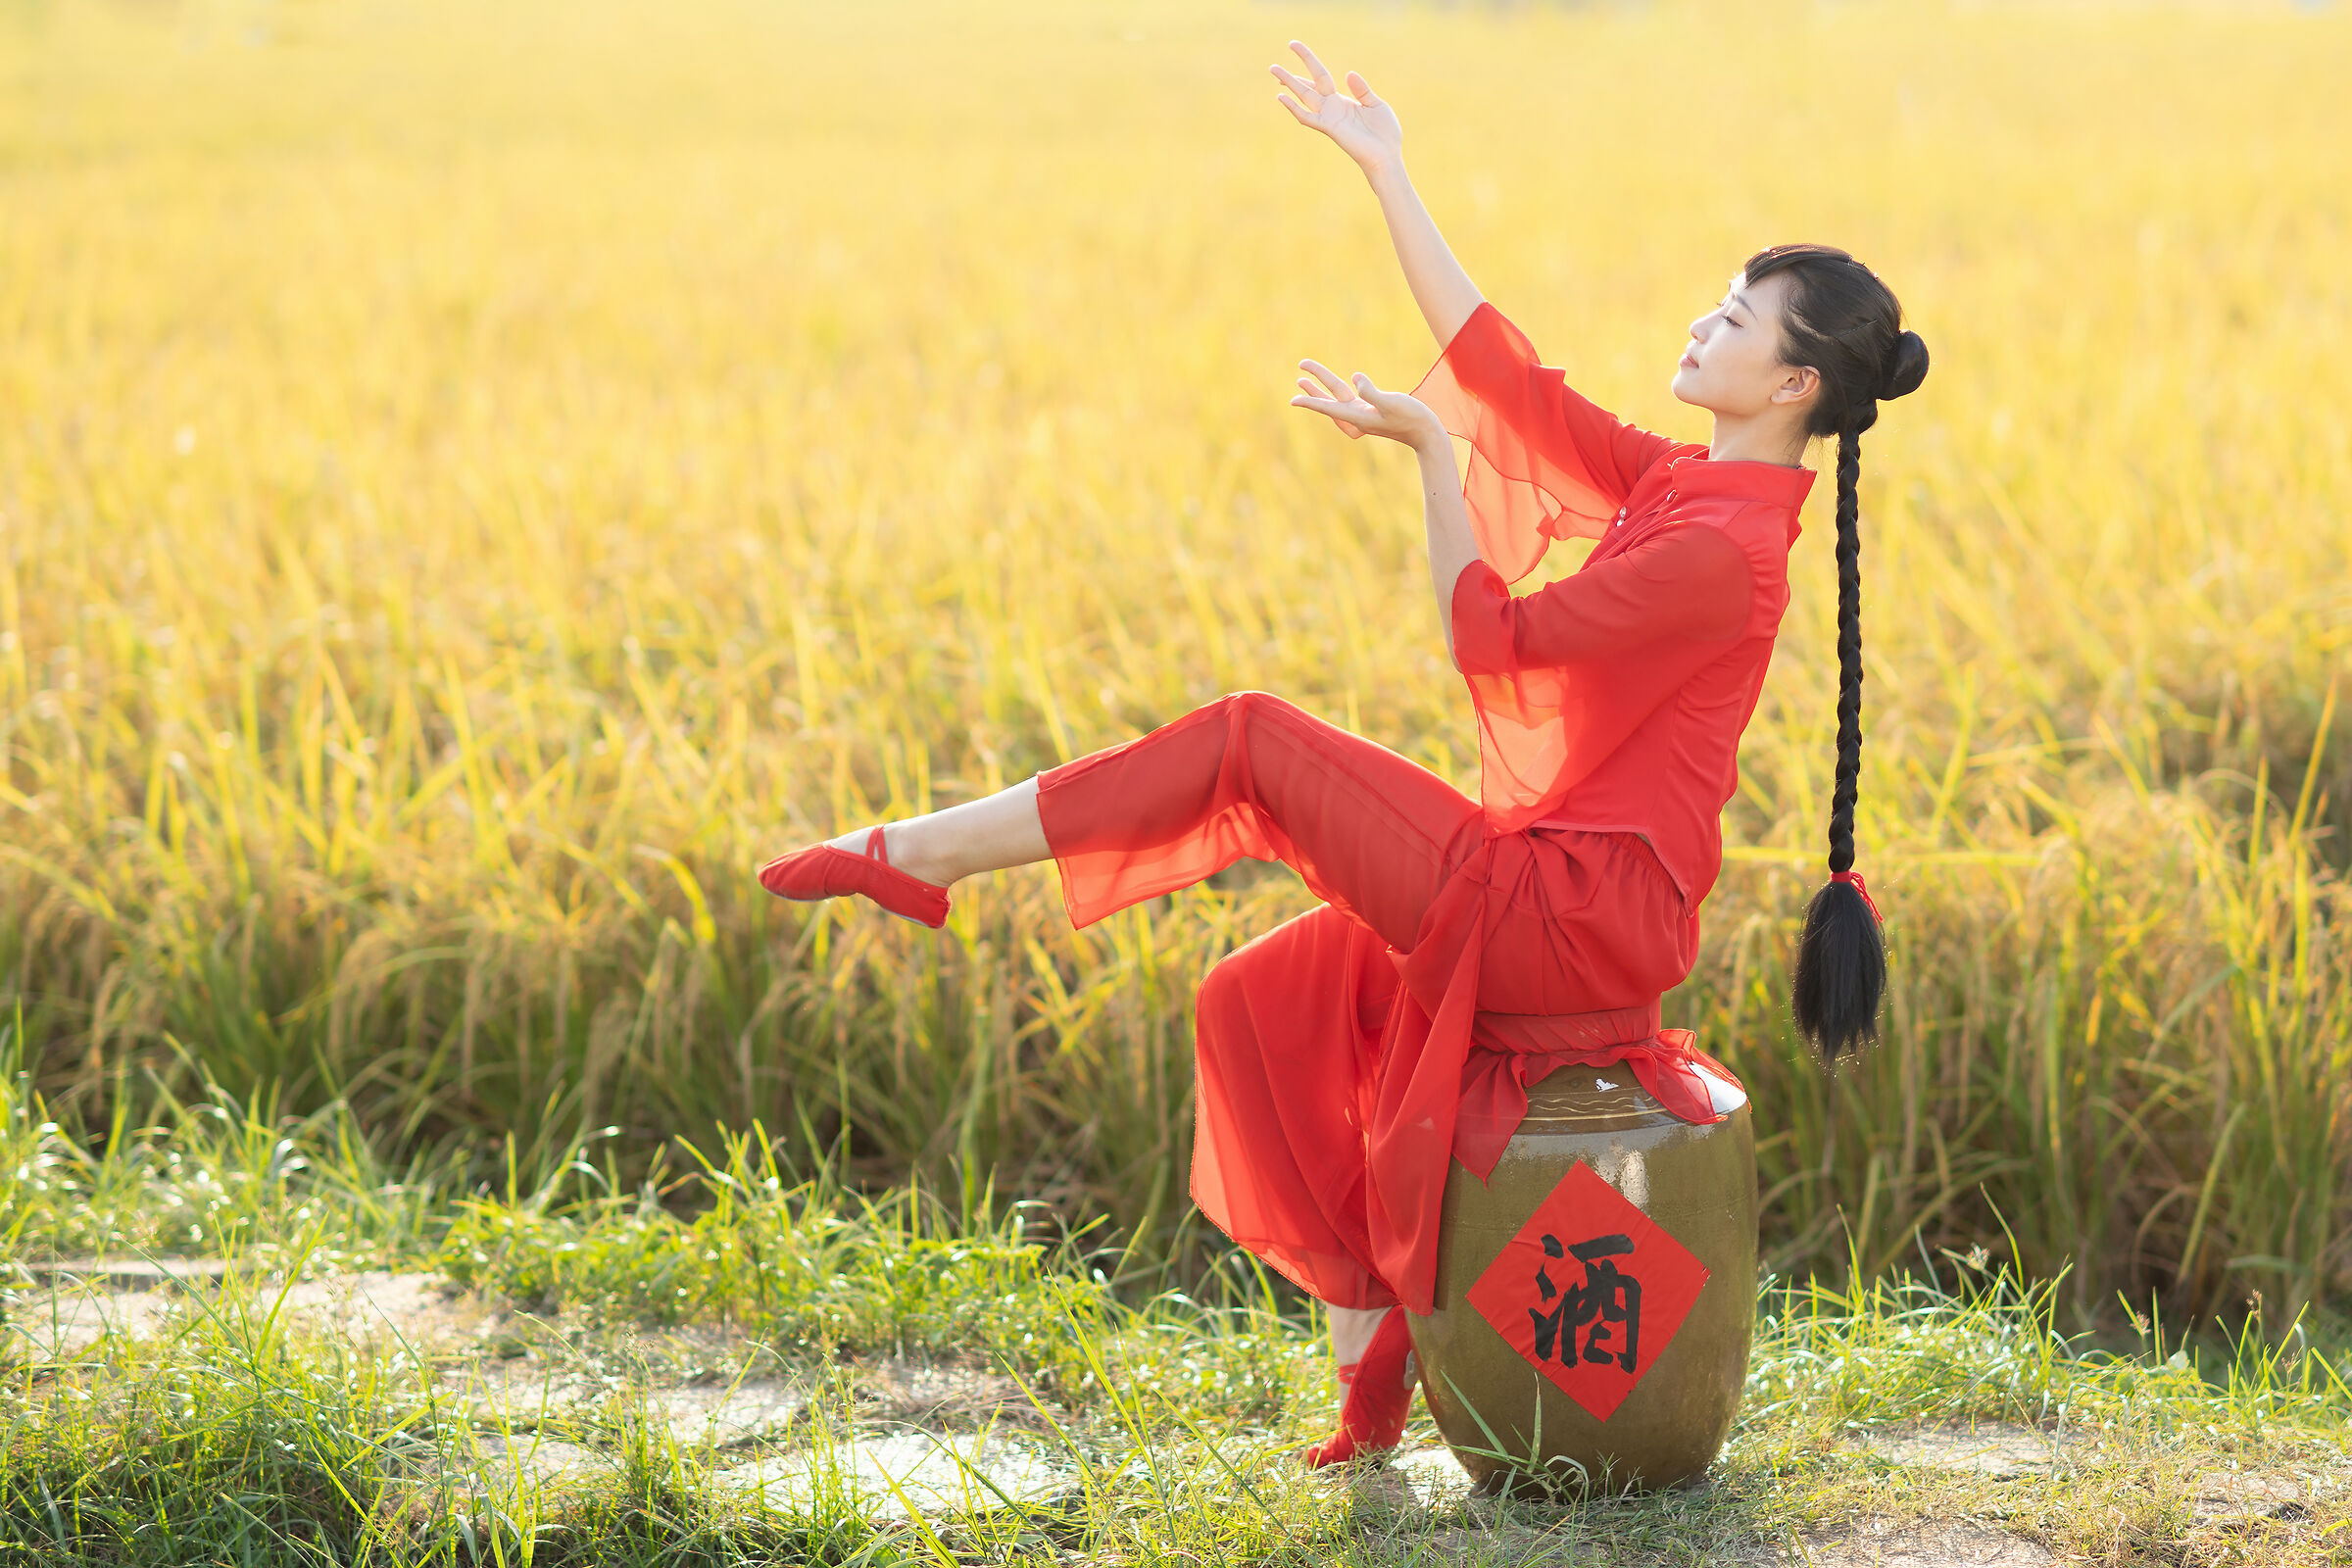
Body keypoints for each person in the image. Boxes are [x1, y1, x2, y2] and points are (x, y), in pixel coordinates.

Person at [758, 39, 1930, 1467]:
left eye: (1735, 317)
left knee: (1252, 738)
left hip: (1573, 911)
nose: (1701, 323)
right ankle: (1369, 1388)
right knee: (1272, 997)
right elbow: (1510, 376)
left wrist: (1435, 462)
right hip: (1548, 880)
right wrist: (1387, 170)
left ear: (1793, 383)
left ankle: (916, 856)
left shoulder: (1723, 553)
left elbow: (1492, 636)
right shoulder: (1693, 483)